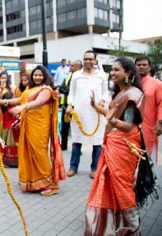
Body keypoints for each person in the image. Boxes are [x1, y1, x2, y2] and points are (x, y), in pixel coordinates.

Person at [85, 57, 144, 235]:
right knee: (109, 182)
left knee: (122, 185)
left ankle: (132, 227)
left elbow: (128, 125)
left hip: (124, 145)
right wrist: (96, 107)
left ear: (128, 73)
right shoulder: (120, 92)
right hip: (113, 142)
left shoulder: (133, 94)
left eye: (116, 70)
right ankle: (110, 224)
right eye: (111, 70)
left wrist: (111, 119)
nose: (112, 73)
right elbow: (112, 116)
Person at [0, 65, 65, 196]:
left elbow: (39, 102)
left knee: (39, 153)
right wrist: (5, 101)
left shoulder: (46, 89)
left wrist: (22, 107)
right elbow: (20, 99)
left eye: (40, 75)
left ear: (45, 76)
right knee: (26, 152)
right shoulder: (30, 89)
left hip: (39, 127)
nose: (38, 77)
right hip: (27, 125)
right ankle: (32, 180)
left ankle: (51, 184)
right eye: (35, 75)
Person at [66, 51, 108, 179]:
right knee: (76, 141)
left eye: (91, 59)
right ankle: (73, 167)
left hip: (96, 113)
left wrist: (102, 100)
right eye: (86, 59)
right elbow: (71, 92)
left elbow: (106, 92)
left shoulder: (101, 75)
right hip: (80, 112)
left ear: (95, 61)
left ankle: (94, 168)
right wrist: (69, 105)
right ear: (83, 60)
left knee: (97, 141)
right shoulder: (76, 75)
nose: (88, 61)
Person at [135, 55, 162, 165]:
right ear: (134, 67)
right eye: (139, 65)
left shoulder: (157, 84)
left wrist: (160, 123)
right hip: (131, 126)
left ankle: (149, 181)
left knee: (148, 157)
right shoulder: (130, 83)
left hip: (149, 126)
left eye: (144, 65)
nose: (141, 67)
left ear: (149, 67)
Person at [59, 60, 82, 150]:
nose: (70, 67)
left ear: (78, 67)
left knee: (76, 128)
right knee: (64, 127)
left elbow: (75, 91)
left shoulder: (81, 78)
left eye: (72, 66)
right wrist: (66, 90)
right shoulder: (68, 76)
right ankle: (64, 145)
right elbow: (62, 88)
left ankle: (77, 148)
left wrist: (66, 90)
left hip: (76, 107)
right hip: (66, 105)